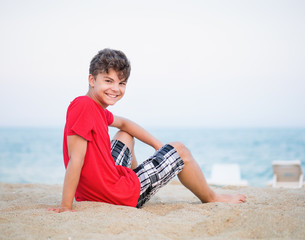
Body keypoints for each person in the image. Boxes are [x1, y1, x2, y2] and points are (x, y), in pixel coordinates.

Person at [49, 48, 246, 212]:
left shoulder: (95, 109)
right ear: (92, 80)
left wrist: (157, 145)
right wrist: (66, 206)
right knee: (180, 150)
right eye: (108, 81)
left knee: (125, 135)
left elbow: (125, 124)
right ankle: (211, 197)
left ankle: (136, 178)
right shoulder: (84, 105)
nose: (115, 89)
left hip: (97, 190)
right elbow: (76, 159)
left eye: (122, 83)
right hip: (116, 196)